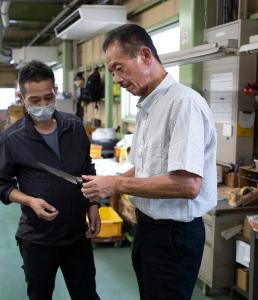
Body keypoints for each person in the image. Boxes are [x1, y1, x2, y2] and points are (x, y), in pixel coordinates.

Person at [81, 24, 217, 300]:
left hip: (173, 235)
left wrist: (117, 184)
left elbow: (188, 185)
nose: (116, 79)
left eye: (119, 68)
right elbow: (141, 170)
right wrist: (103, 185)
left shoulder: (183, 104)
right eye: (112, 72)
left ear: (145, 55)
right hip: (148, 228)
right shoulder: (147, 106)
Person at [0, 60, 101, 300]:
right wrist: (29, 201)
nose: (43, 105)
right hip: (38, 239)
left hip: (76, 235)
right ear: (21, 98)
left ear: (56, 92)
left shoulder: (74, 126)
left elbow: (86, 169)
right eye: (35, 100)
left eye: (48, 98)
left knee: (87, 295)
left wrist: (93, 205)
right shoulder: (13, 139)